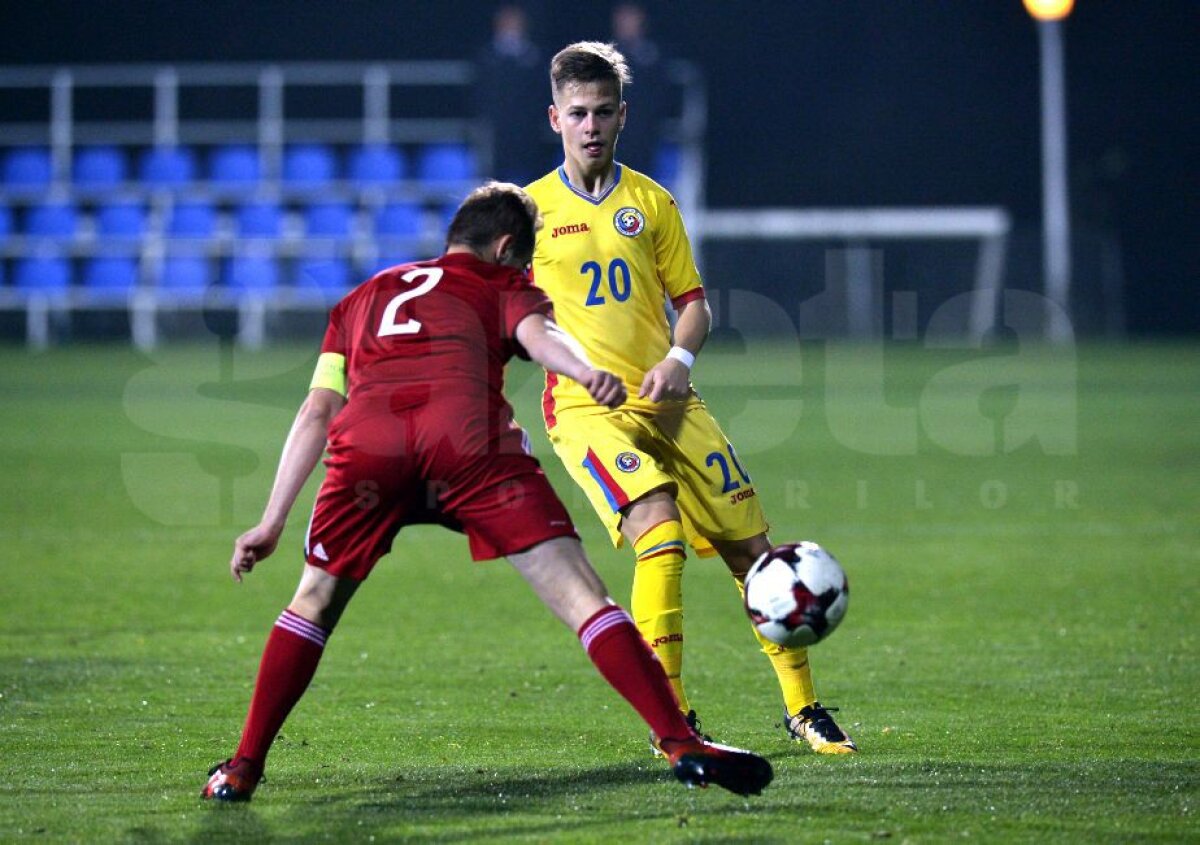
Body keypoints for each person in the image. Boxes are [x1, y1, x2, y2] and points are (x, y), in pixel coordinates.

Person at [201, 182, 773, 803]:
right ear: (506, 249)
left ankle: (242, 769)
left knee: (312, 602)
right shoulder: (500, 284)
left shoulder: (361, 298)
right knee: (582, 595)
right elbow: (539, 336)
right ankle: (681, 743)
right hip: (468, 444)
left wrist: (271, 520)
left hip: (370, 449)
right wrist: (584, 371)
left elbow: (318, 409)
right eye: (524, 261)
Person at [523, 43, 857, 754]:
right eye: (577, 113)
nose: (591, 126)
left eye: (603, 112)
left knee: (759, 558)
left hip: (670, 399)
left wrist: (679, 356)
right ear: (554, 118)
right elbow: (507, 318)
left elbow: (695, 304)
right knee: (660, 531)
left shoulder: (651, 202)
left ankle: (805, 710)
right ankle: (671, 721)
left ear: (623, 116)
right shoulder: (528, 214)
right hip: (586, 411)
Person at [474, 5, 550, 186]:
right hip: (497, 134)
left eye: (514, 22)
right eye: (505, 22)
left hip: (528, 133)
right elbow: (479, 96)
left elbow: (541, 95)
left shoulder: (534, 57)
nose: (510, 26)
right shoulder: (487, 58)